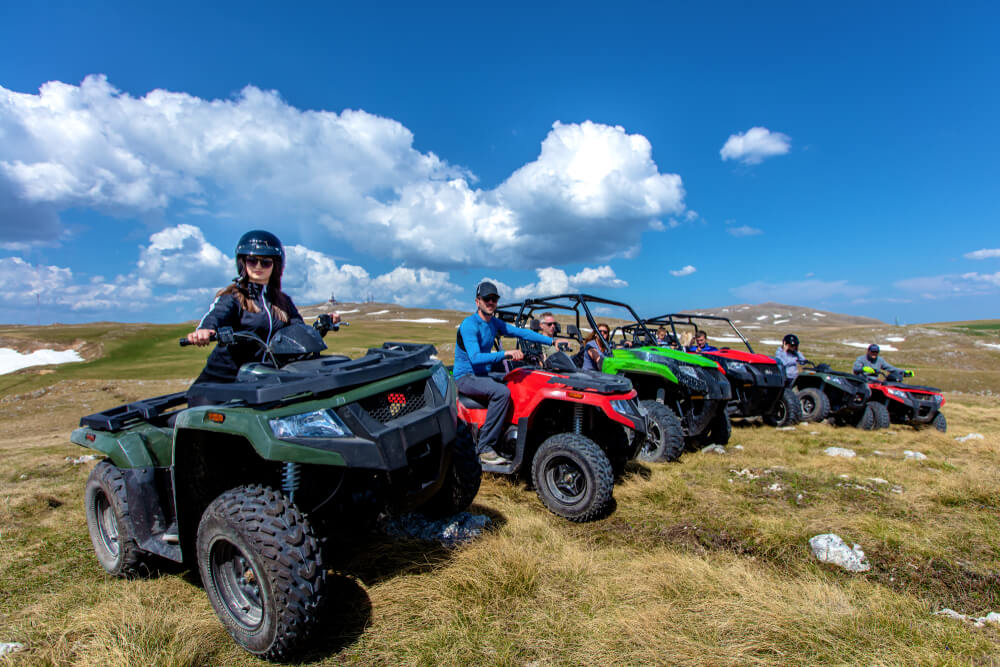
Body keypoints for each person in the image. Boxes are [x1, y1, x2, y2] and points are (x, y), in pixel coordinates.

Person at [185, 230, 340, 405]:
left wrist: (321, 327)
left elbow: (297, 332)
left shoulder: (283, 301)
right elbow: (217, 314)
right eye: (252, 260)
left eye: (265, 262)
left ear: (275, 266)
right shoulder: (233, 296)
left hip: (261, 381)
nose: (258, 266)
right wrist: (205, 330)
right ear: (243, 262)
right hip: (221, 383)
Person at [454, 281, 554, 465]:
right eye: (487, 299)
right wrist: (505, 354)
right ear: (478, 302)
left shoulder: (494, 323)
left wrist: (552, 341)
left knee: (519, 382)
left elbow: (521, 333)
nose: (491, 302)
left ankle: (513, 437)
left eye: (494, 299)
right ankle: (485, 448)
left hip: (483, 376)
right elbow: (475, 357)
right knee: (501, 393)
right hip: (466, 377)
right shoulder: (469, 325)